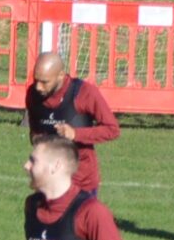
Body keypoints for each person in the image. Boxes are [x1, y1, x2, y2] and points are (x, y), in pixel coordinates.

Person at [25, 50, 120, 195]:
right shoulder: (33, 94)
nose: (38, 87)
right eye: (36, 80)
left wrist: (76, 134)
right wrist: (38, 139)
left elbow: (112, 129)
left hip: (81, 181)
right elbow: (35, 131)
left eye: (45, 82)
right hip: (48, 179)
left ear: (61, 76)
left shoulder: (85, 93)